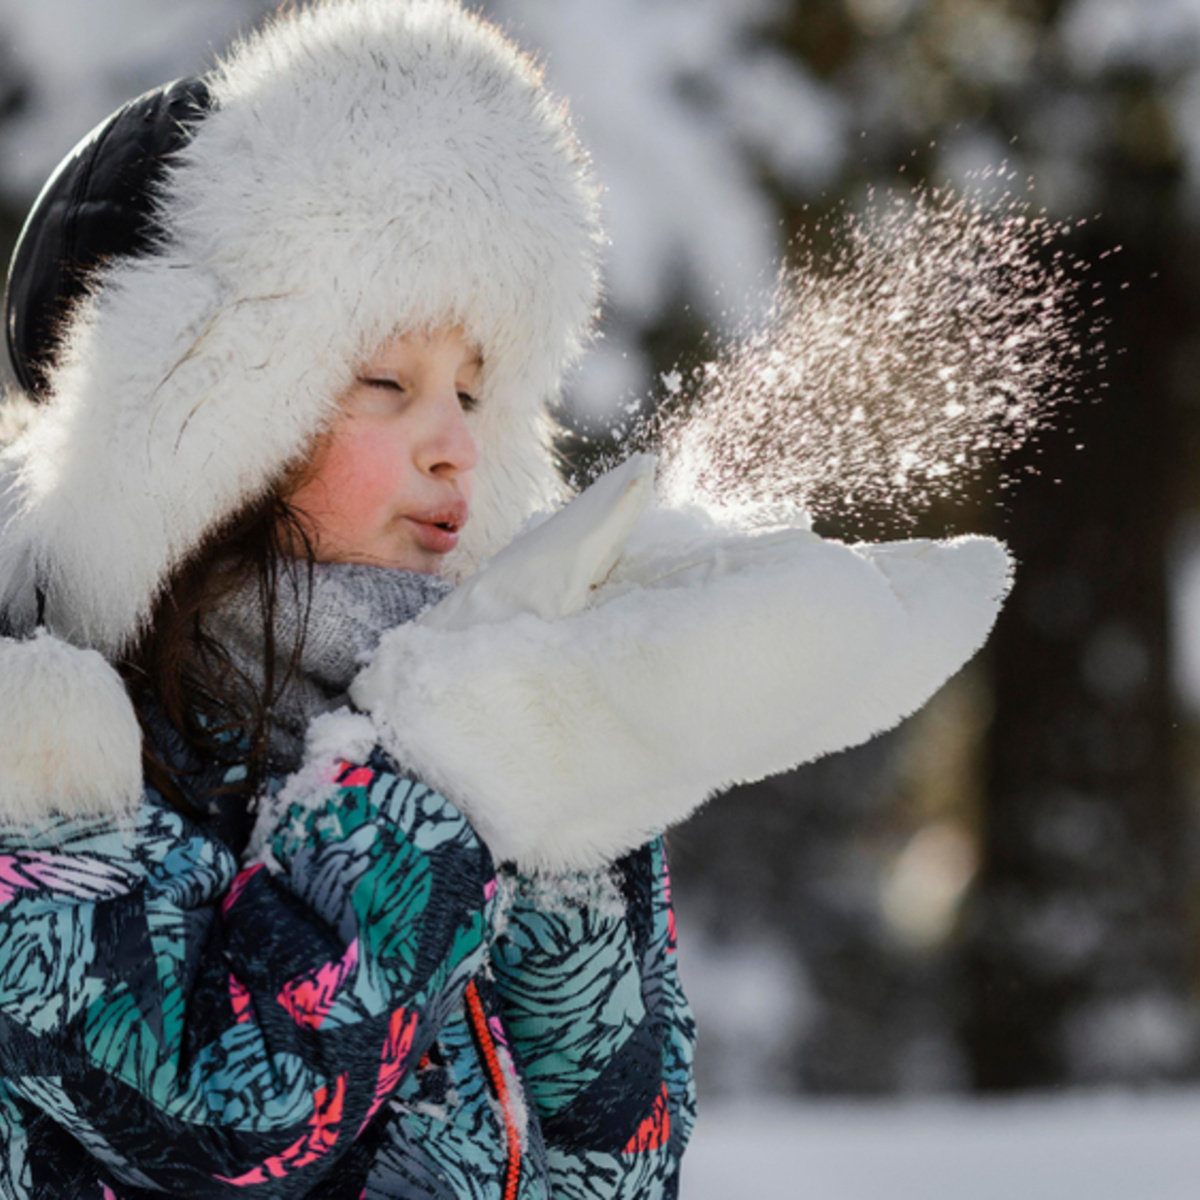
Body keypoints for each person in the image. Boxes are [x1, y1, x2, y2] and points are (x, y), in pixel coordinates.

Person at [0, 1, 1012, 1197]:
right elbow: (221, 1128)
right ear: (195, 421)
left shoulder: (480, 705)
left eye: (477, 397)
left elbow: (616, 1166)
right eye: (386, 381)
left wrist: (586, 757)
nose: (453, 450)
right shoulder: (46, 765)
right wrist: (446, 774)